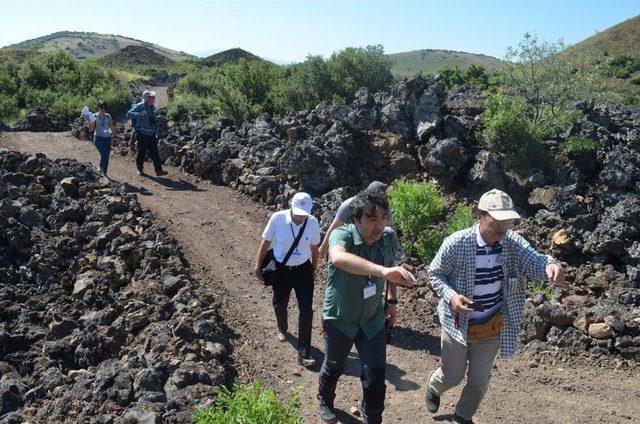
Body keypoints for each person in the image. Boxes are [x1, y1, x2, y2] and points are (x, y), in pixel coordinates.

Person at [424, 189, 566, 424]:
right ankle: (434, 385)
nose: (503, 227)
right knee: (453, 376)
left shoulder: (512, 242)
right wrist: (451, 297)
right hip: (456, 324)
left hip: (491, 324)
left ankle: (463, 416)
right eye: (497, 220)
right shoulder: (457, 243)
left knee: (479, 380)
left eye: (507, 221)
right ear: (480, 216)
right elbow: (435, 273)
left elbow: (534, 260)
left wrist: (550, 265)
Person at [317, 189, 416, 424]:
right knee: (333, 365)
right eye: (372, 219)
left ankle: (372, 416)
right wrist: (382, 271)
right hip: (341, 316)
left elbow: (391, 269)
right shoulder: (342, 235)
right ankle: (325, 399)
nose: (379, 225)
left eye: (383, 217)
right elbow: (339, 258)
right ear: (356, 219)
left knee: (376, 374)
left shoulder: (387, 239)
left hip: (372, 319)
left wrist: (391, 301)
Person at [254, 192, 321, 368]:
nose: (300, 216)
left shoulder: (313, 223)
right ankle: (282, 327)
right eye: (297, 211)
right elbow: (265, 243)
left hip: (303, 270)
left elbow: (315, 249)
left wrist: (313, 269)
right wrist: (257, 266)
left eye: (303, 213)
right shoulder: (277, 218)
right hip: (282, 270)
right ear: (290, 205)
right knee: (280, 302)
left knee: (306, 309)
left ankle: (304, 353)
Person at [319, 181, 401, 262]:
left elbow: (390, 226)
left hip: (371, 241)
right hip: (352, 240)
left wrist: (398, 247)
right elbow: (335, 226)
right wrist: (323, 247)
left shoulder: (383, 206)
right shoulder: (349, 205)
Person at [126, 90, 167, 177]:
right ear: (147, 98)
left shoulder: (152, 107)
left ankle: (158, 170)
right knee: (142, 152)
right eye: (152, 97)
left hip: (151, 134)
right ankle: (140, 169)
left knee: (155, 152)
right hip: (142, 134)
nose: (154, 98)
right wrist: (139, 114)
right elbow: (128, 114)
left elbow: (153, 118)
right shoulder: (140, 106)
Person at [86, 100, 116, 179]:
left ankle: (104, 171)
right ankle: (101, 169)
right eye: (101, 107)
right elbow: (91, 129)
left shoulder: (108, 116)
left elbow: (111, 126)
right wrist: (89, 120)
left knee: (106, 156)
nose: (103, 109)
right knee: (104, 154)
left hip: (107, 139)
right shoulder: (94, 116)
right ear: (98, 107)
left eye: (105, 107)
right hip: (98, 138)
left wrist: (116, 135)